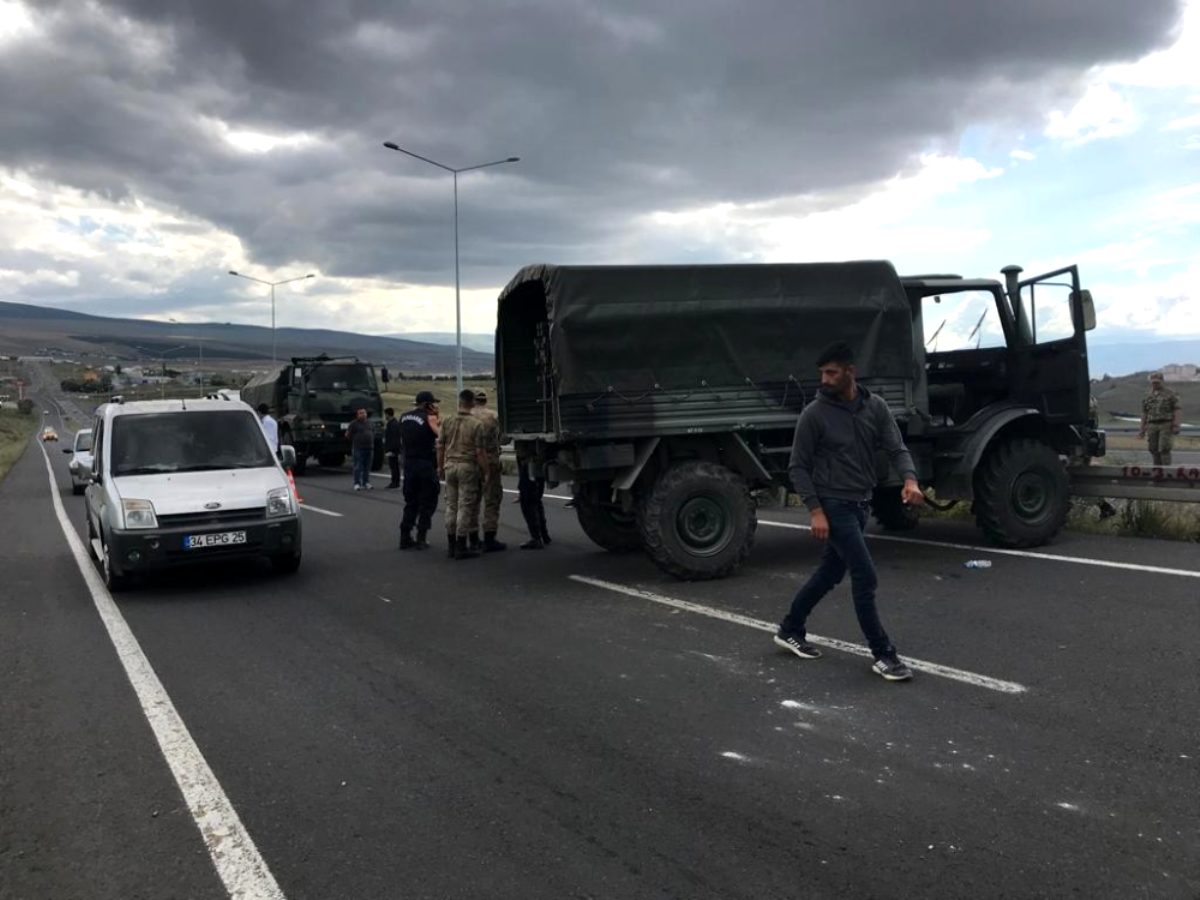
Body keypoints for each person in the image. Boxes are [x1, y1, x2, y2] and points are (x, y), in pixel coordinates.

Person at [775, 341, 924, 683]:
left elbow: (896, 446)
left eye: (832, 372)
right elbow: (797, 467)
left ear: (850, 372)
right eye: (822, 373)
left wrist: (910, 480)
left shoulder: (876, 407)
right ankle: (884, 654)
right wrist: (815, 511)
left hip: (860, 502)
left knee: (830, 572)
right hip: (833, 504)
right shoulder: (814, 414)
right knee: (865, 576)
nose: (824, 379)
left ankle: (790, 628)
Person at [437, 389, 489, 559]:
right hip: (467, 466)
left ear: (459, 402)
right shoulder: (476, 424)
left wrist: (440, 467)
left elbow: (440, 447)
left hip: (450, 465)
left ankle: (451, 545)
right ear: (472, 403)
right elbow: (480, 452)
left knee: (451, 505)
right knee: (465, 506)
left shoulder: (447, 421)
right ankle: (461, 545)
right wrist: (485, 471)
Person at [398, 391, 441, 549]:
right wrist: (437, 419)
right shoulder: (429, 418)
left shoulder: (403, 417)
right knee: (428, 500)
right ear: (427, 404)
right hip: (424, 463)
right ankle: (421, 536)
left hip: (409, 464)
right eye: (433, 403)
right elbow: (440, 436)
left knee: (411, 502)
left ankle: (405, 535)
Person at [470, 390, 506, 552]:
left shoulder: (465, 416)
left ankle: (472, 537)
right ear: (485, 401)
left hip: (470, 461)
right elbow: (504, 437)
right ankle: (490, 538)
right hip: (490, 459)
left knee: (471, 500)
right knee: (492, 499)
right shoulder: (494, 416)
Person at [1139, 372, 1181, 466]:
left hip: (1166, 424)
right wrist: (1142, 428)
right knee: (1153, 449)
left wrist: (1176, 425)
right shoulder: (1147, 395)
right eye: (1153, 382)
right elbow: (1144, 412)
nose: (1155, 384)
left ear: (1162, 381)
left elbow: (1177, 409)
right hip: (1152, 425)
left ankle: (1166, 472)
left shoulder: (1170, 394)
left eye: (1157, 382)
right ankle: (1157, 472)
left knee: (1164, 449)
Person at [515, 441, 551, 549]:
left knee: (527, 500)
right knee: (536, 499)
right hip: (539, 459)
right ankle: (544, 534)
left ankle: (536, 537)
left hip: (528, 460)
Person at [345, 407, 375, 490]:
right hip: (358, 448)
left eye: (364, 413)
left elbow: (373, 432)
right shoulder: (354, 424)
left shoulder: (370, 423)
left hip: (369, 447)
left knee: (367, 466)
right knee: (358, 466)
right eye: (361, 413)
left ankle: (366, 482)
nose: (363, 414)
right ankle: (357, 483)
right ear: (357, 415)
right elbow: (347, 435)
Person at [383, 407, 402, 489]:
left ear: (387, 414)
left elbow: (394, 438)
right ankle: (395, 481)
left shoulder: (393, 424)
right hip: (393, 448)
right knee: (394, 466)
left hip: (393, 449)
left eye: (385, 414)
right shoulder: (393, 423)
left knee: (394, 466)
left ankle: (395, 482)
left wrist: (392, 450)